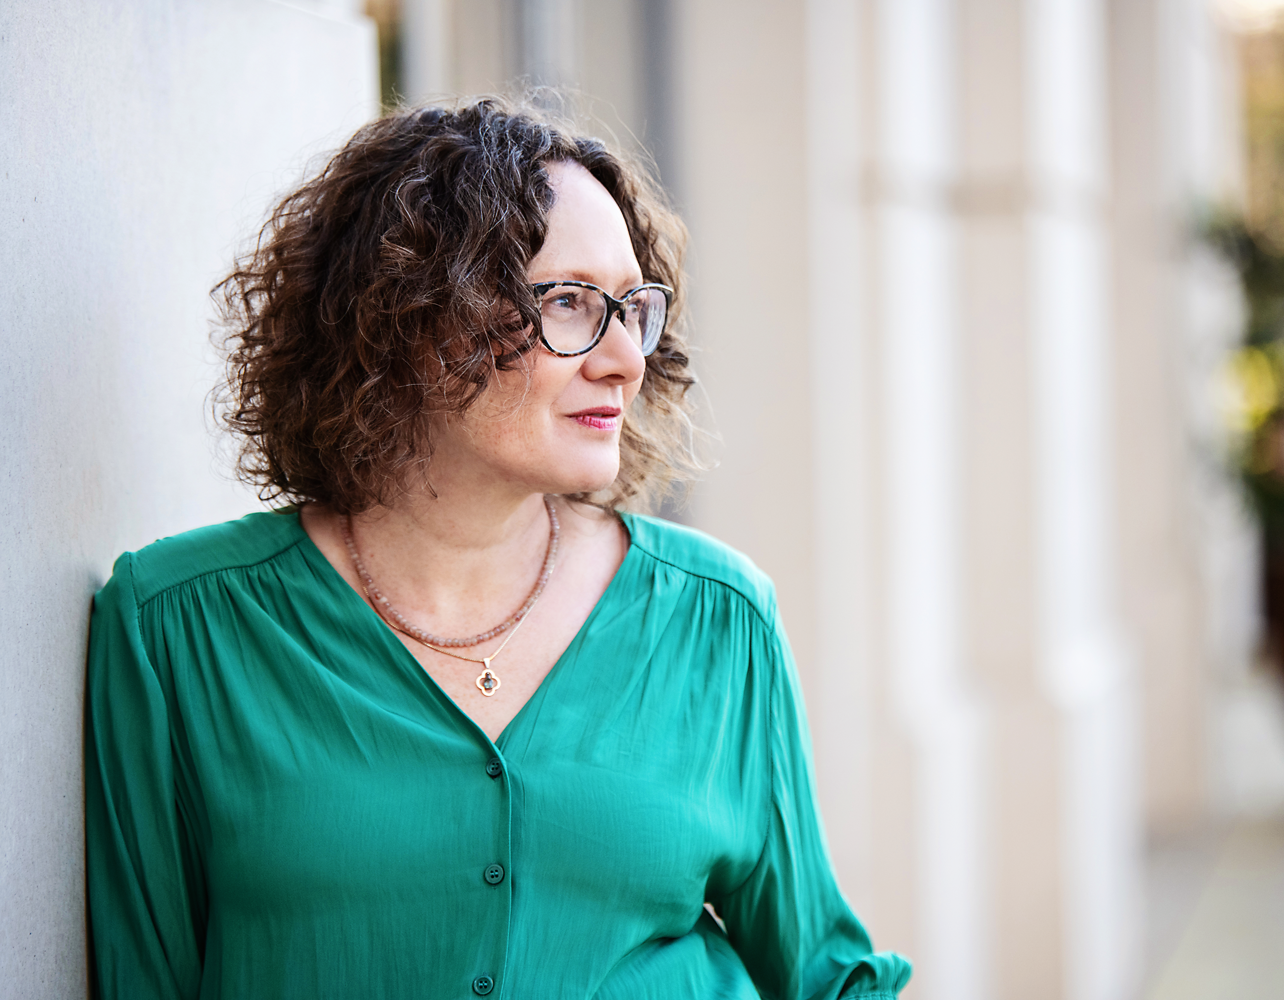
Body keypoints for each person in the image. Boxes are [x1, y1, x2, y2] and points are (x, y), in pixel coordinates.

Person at [84, 99, 911, 1000]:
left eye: (633, 309)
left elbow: (824, 974)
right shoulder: (178, 626)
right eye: (567, 302)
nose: (625, 359)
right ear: (408, 317)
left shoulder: (719, 617)